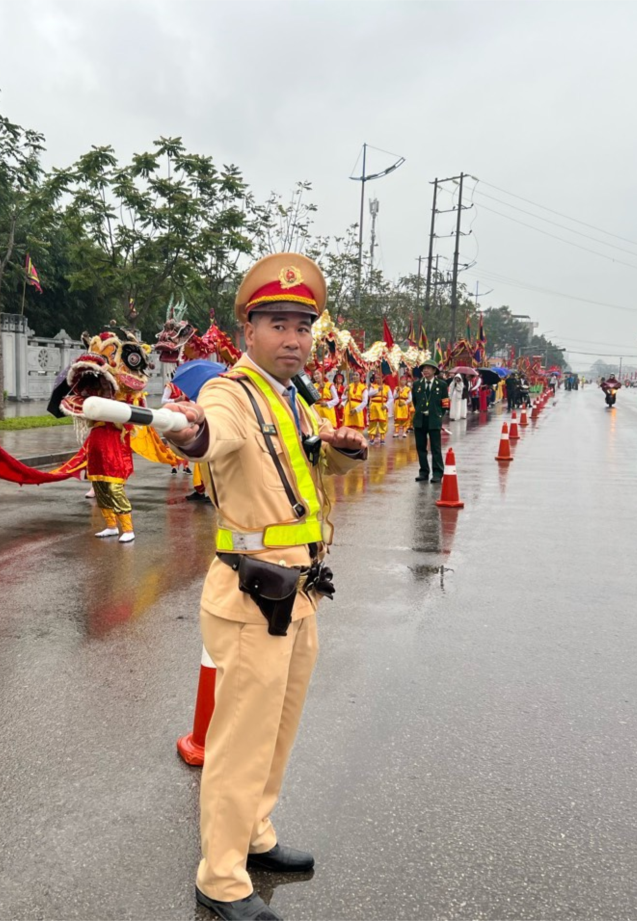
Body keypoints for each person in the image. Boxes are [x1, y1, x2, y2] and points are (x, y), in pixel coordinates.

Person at [163, 252, 366, 921]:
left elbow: (308, 469)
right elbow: (209, 433)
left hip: (300, 588)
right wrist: (193, 434)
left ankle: (254, 833)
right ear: (246, 329)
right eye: (277, 323)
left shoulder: (293, 399)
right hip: (252, 597)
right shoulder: (233, 393)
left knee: (279, 730)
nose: (293, 339)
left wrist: (339, 445)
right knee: (240, 740)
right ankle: (220, 876)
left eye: (303, 326)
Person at [411, 358, 447, 483]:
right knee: (421, 448)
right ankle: (423, 471)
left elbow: (445, 404)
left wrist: (438, 415)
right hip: (420, 420)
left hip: (434, 420)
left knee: (435, 448)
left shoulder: (441, 385)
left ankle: (437, 472)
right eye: (423, 369)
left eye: (428, 368)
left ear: (434, 370)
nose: (425, 371)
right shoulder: (417, 385)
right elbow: (415, 402)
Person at [365, 370, 391, 445]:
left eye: (379, 378)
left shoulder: (387, 387)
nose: (378, 379)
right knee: (372, 422)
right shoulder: (373, 386)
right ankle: (371, 438)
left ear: (382, 378)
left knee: (383, 422)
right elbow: (369, 394)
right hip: (374, 406)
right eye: (376, 378)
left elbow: (391, 398)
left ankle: (382, 437)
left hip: (382, 406)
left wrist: (386, 405)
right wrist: (378, 390)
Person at [393, 371, 413, 438]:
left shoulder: (408, 389)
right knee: (397, 418)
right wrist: (397, 392)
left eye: (404, 380)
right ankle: (396, 432)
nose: (403, 382)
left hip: (404, 404)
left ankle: (404, 432)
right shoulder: (396, 388)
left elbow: (410, 398)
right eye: (402, 380)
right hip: (397, 404)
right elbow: (394, 397)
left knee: (405, 419)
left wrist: (404, 402)